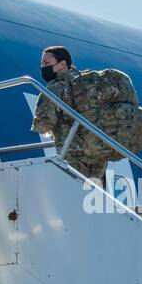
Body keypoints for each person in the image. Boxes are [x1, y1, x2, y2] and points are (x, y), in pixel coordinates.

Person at [30, 46, 111, 184]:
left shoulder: (56, 87)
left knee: (72, 198)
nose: (43, 67)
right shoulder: (88, 84)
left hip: (72, 156)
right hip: (98, 154)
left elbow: (43, 125)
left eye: (47, 63)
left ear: (62, 64)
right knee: (95, 201)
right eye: (42, 64)